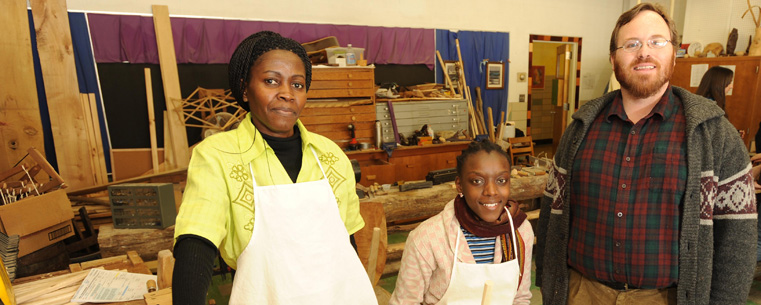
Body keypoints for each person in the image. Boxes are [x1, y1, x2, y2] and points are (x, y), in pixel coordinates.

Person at [535, 3, 757, 305]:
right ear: (614, 58)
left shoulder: (715, 135)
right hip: (581, 293)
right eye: (632, 44)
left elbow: (737, 243)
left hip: (667, 298)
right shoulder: (579, 130)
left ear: (673, 54)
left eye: (657, 42)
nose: (644, 52)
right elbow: (551, 220)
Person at [172, 31, 377, 305]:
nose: (287, 94)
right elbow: (196, 241)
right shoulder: (217, 156)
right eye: (271, 81)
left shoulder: (330, 155)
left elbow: (346, 240)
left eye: (298, 84)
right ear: (244, 88)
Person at [389, 140, 534, 305]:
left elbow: (520, 298)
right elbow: (405, 302)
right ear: (459, 185)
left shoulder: (520, 231)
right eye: (477, 181)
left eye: (501, 180)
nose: (491, 191)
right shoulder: (427, 238)